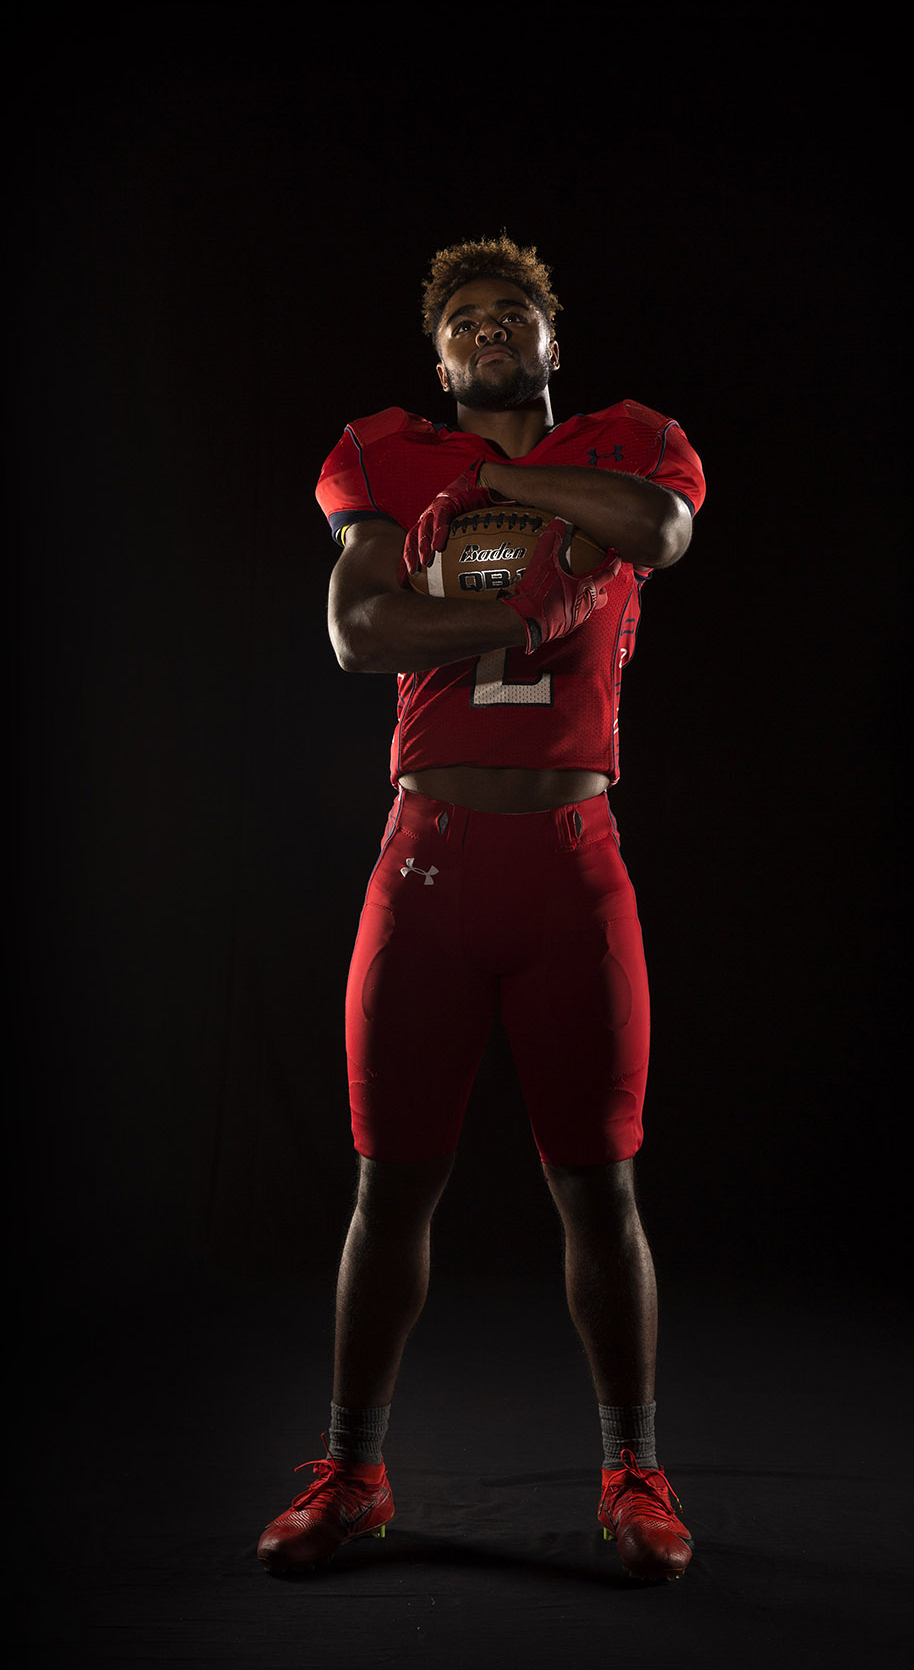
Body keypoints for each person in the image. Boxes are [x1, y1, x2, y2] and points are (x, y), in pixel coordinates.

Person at [257, 236, 706, 1583]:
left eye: (513, 310)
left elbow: (660, 531)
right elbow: (359, 633)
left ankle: (633, 1469)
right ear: (438, 355)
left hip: (573, 866)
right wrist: (523, 617)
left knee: (600, 1187)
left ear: (552, 339)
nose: (489, 327)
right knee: (389, 1187)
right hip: (428, 868)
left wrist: (508, 483)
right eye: (463, 318)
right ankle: (353, 1471)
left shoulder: (632, 442)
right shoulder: (385, 458)